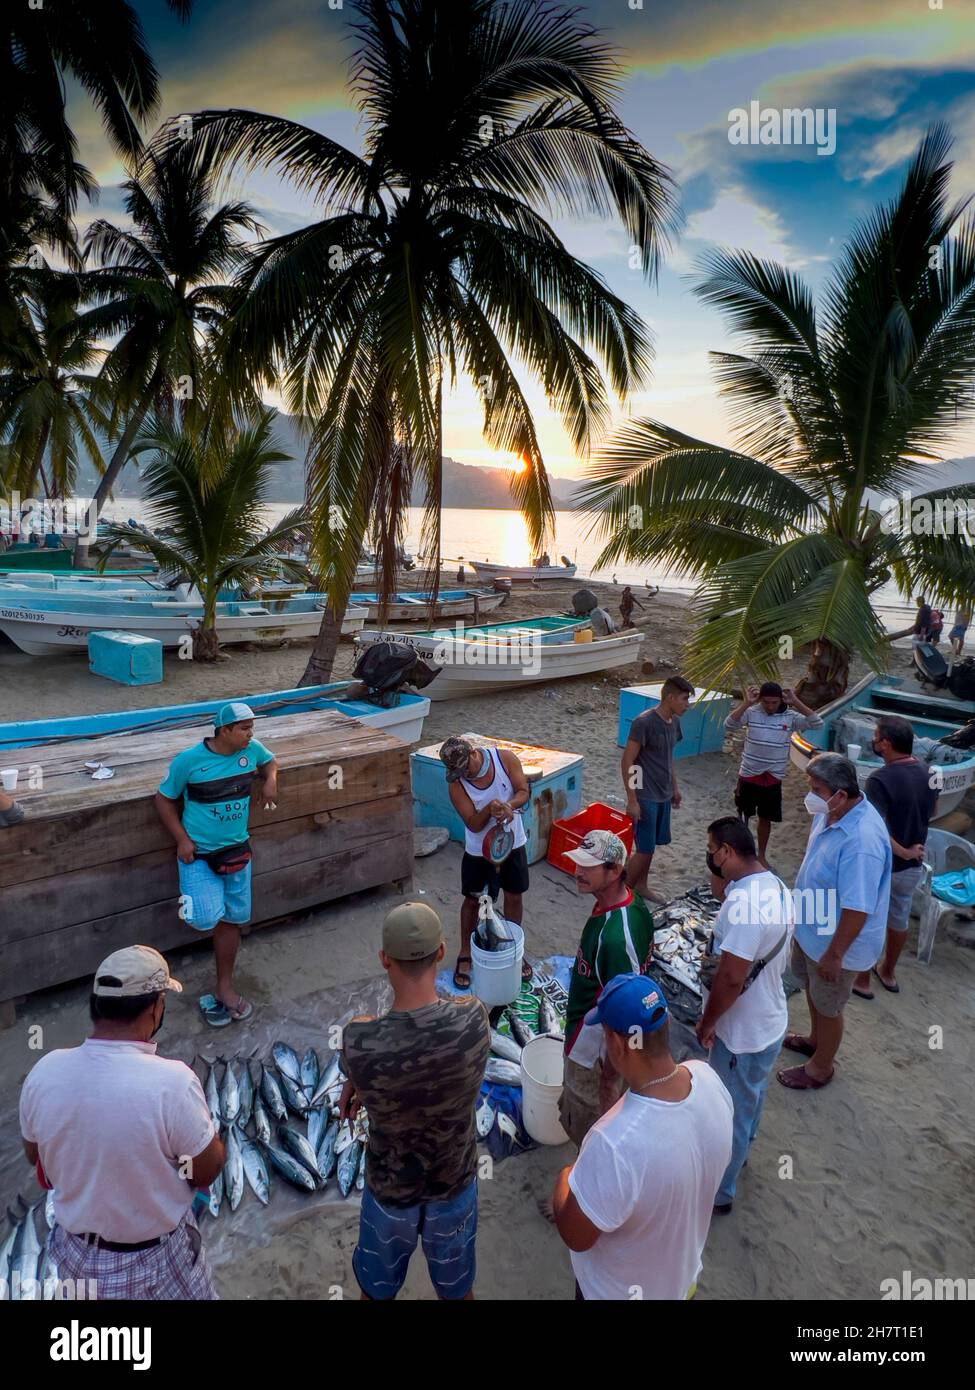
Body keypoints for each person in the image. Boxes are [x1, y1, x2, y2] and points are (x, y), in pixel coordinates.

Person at [18, 946, 224, 1300]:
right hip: (157, 1258)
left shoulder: (44, 1071)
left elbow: (35, 1155)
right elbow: (204, 1171)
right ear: (155, 1007)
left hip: (78, 1256)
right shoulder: (173, 1082)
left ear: (96, 1005)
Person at [340, 902, 490, 1301]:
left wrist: (354, 1082)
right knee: (458, 1292)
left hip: (390, 1193)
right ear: (442, 952)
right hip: (454, 1186)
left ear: (384, 960)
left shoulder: (358, 1040)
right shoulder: (474, 1019)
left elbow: (365, 1060)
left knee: (374, 1293)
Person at [551, 973, 733, 1300]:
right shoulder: (710, 1081)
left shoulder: (613, 1144)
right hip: (682, 1284)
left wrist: (566, 1178)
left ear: (619, 1045)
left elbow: (575, 1234)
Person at [155, 701, 278, 1026]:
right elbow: (164, 797)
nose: (251, 734)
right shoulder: (189, 761)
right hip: (199, 854)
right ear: (225, 731)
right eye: (245, 728)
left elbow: (270, 761)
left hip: (237, 851)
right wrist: (182, 839)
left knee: (233, 920)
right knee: (204, 917)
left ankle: (224, 987)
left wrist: (270, 779)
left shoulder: (252, 750)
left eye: (252, 728)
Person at [696, 817, 794, 1213]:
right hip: (771, 1019)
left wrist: (708, 1023)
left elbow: (732, 977)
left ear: (727, 852)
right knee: (752, 1098)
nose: (711, 858)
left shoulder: (746, 904)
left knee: (728, 1111)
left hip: (742, 1032)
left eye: (712, 850)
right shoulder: (774, 885)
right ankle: (743, 1154)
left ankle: (721, 1191)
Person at [778, 753, 891, 1092]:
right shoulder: (831, 811)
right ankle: (815, 1040)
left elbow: (859, 907)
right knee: (814, 990)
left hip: (836, 942)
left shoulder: (861, 842)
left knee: (829, 1005)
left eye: (816, 788)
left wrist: (835, 954)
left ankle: (821, 1067)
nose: (810, 794)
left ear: (840, 794)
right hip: (813, 927)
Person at [560, 830, 655, 1145]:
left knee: (586, 1114)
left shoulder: (614, 940)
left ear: (614, 871)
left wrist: (611, 1075)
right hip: (597, 1037)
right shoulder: (631, 902)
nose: (578, 872)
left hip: (591, 1046)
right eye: (578, 864)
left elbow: (629, 1013)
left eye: (589, 867)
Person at [852, 716, 937, 999]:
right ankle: (888, 972)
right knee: (899, 919)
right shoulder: (927, 772)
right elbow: (932, 812)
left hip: (886, 864)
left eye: (876, 737)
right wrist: (911, 851)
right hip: (912, 865)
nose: (874, 742)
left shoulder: (880, 779)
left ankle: (862, 980)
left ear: (885, 744)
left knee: (868, 919)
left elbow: (873, 826)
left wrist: (901, 851)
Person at [439, 735, 531, 989]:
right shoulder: (457, 784)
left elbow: (523, 790)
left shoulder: (505, 759)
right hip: (479, 851)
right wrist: (489, 810)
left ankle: (514, 947)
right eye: (455, 772)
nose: (462, 775)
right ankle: (465, 951)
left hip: (512, 842)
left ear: (473, 754)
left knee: (514, 895)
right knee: (473, 900)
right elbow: (472, 823)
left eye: (464, 767)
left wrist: (509, 805)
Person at [725, 681, 823, 865]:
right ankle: (743, 855)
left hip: (772, 778)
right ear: (761, 700)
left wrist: (796, 702)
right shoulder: (752, 712)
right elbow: (729, 724)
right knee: (743, 816)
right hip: (748, 774)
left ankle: (761, 856)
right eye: (766, 702)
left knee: (766, 819)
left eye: (774, 703)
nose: (770, 706)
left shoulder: (791, 716)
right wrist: (746, 702)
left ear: (780, 701)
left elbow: (817, 723)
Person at [622, 675, 693, 902]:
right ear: (670, 698)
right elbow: (628, 761)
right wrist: (632, 799)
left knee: (651, 847)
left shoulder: (675, 723)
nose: (687, 704)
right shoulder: (644, 722)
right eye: (684, 699)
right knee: (643, 848)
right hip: (645, 795)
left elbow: (668, 757)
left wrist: (675, 787)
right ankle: (622, 892)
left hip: (663, 794)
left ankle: (641, 886)